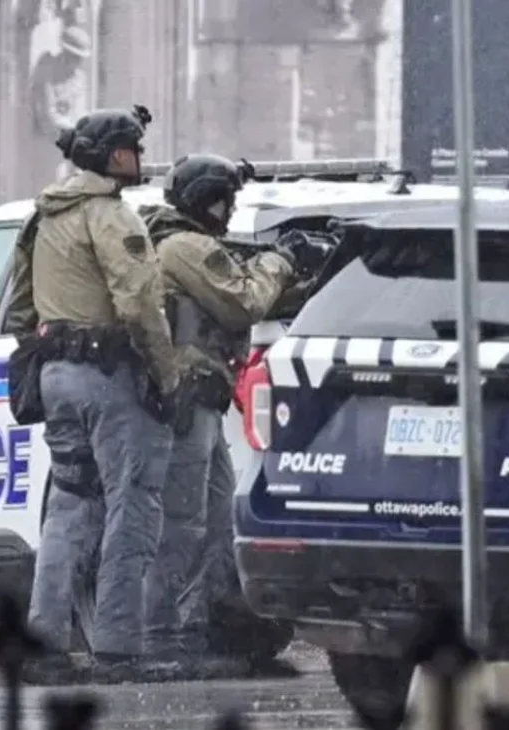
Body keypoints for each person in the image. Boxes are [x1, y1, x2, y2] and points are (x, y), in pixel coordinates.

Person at [5, 106, 197, 684]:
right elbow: (140, 303)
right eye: (131, 149)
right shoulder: (111, 216)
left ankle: (44, 642)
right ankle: (117, 645)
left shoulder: (43, 216)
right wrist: (167, 378)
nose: (137, 159)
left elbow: (18, 305)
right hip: (113, 377)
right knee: (133, 505)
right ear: (113, 155)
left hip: (57, 376)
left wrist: (47, 346)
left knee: (68, 506)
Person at [138, 153, 329, 679]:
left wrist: (306, 279)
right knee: (182, 522)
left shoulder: (187, 246)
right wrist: (282, 258)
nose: (231, 210)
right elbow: (242, 301)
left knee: (218, 520)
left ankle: (194, 626)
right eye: (227, 200)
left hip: (202, 401)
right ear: (210, 200)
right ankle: (161, 635)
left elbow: (254, 300)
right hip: (188, 399)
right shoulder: (186, 247)